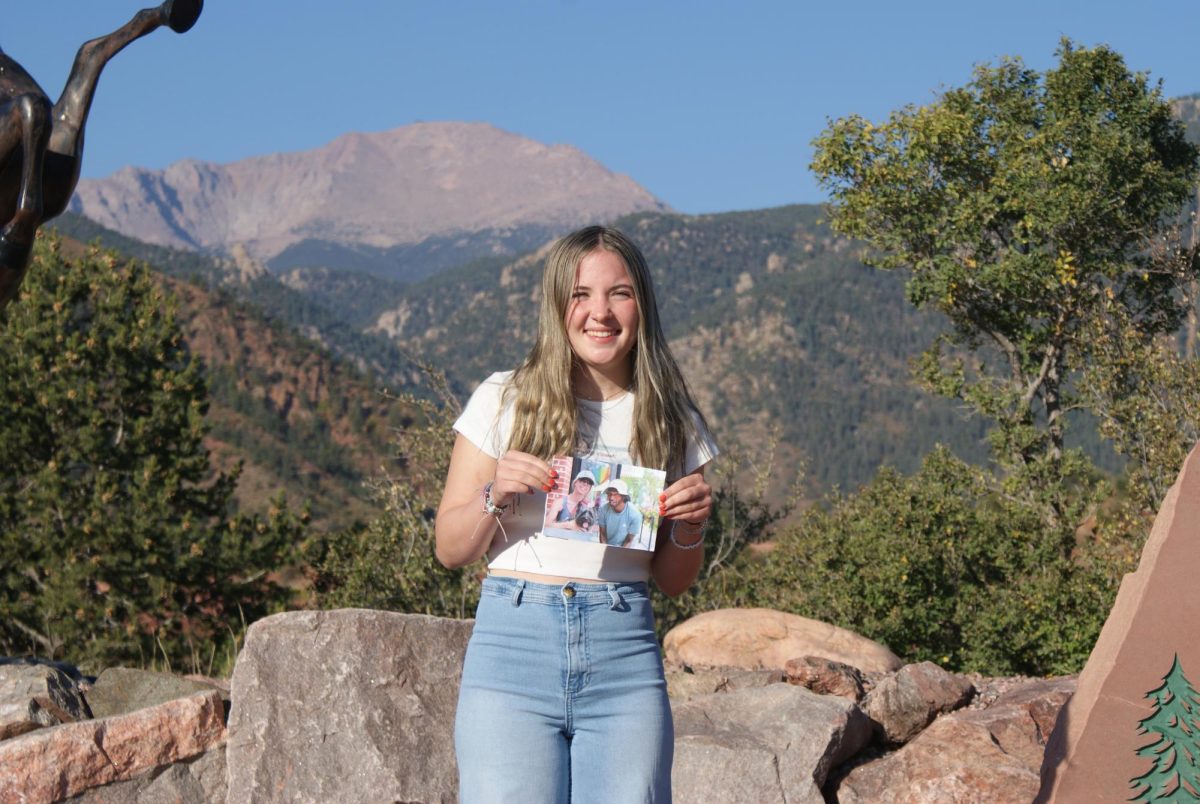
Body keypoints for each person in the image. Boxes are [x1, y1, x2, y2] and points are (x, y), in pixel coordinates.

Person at [435, 225, 717, 802]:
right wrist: (495, 492)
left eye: (620, 293)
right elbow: (450, 548)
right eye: (580, 294)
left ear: (643, 305)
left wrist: (688, 529)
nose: (600, 313)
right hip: (513, 647)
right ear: (557, 305)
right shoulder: (504, 398)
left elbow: (672, 581)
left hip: (625, 652)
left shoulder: (672, 418)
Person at [597, 478, 642, 548]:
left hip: (627, 548)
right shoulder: (603, 509)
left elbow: (629, 541)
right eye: (609, 494)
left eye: (615, 494)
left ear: (623, 496)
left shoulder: (635, 515)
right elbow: (602, 534)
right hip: (608, 545)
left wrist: (619, 555)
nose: (611, 497)